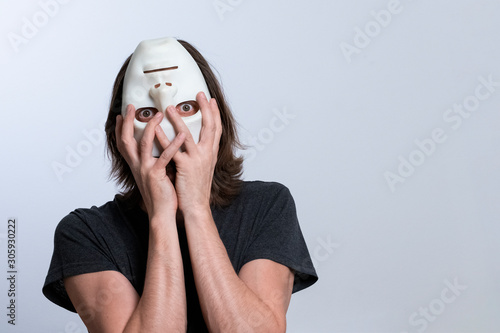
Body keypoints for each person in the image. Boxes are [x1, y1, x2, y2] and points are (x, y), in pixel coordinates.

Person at [43, 37, 318, 332]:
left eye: (186, 107)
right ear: (120, 134)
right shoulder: (85, 233)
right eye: (147, 114)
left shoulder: (268, 206)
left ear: (216, 120)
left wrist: (196, 210)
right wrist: (161, 217)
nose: (169, 132)